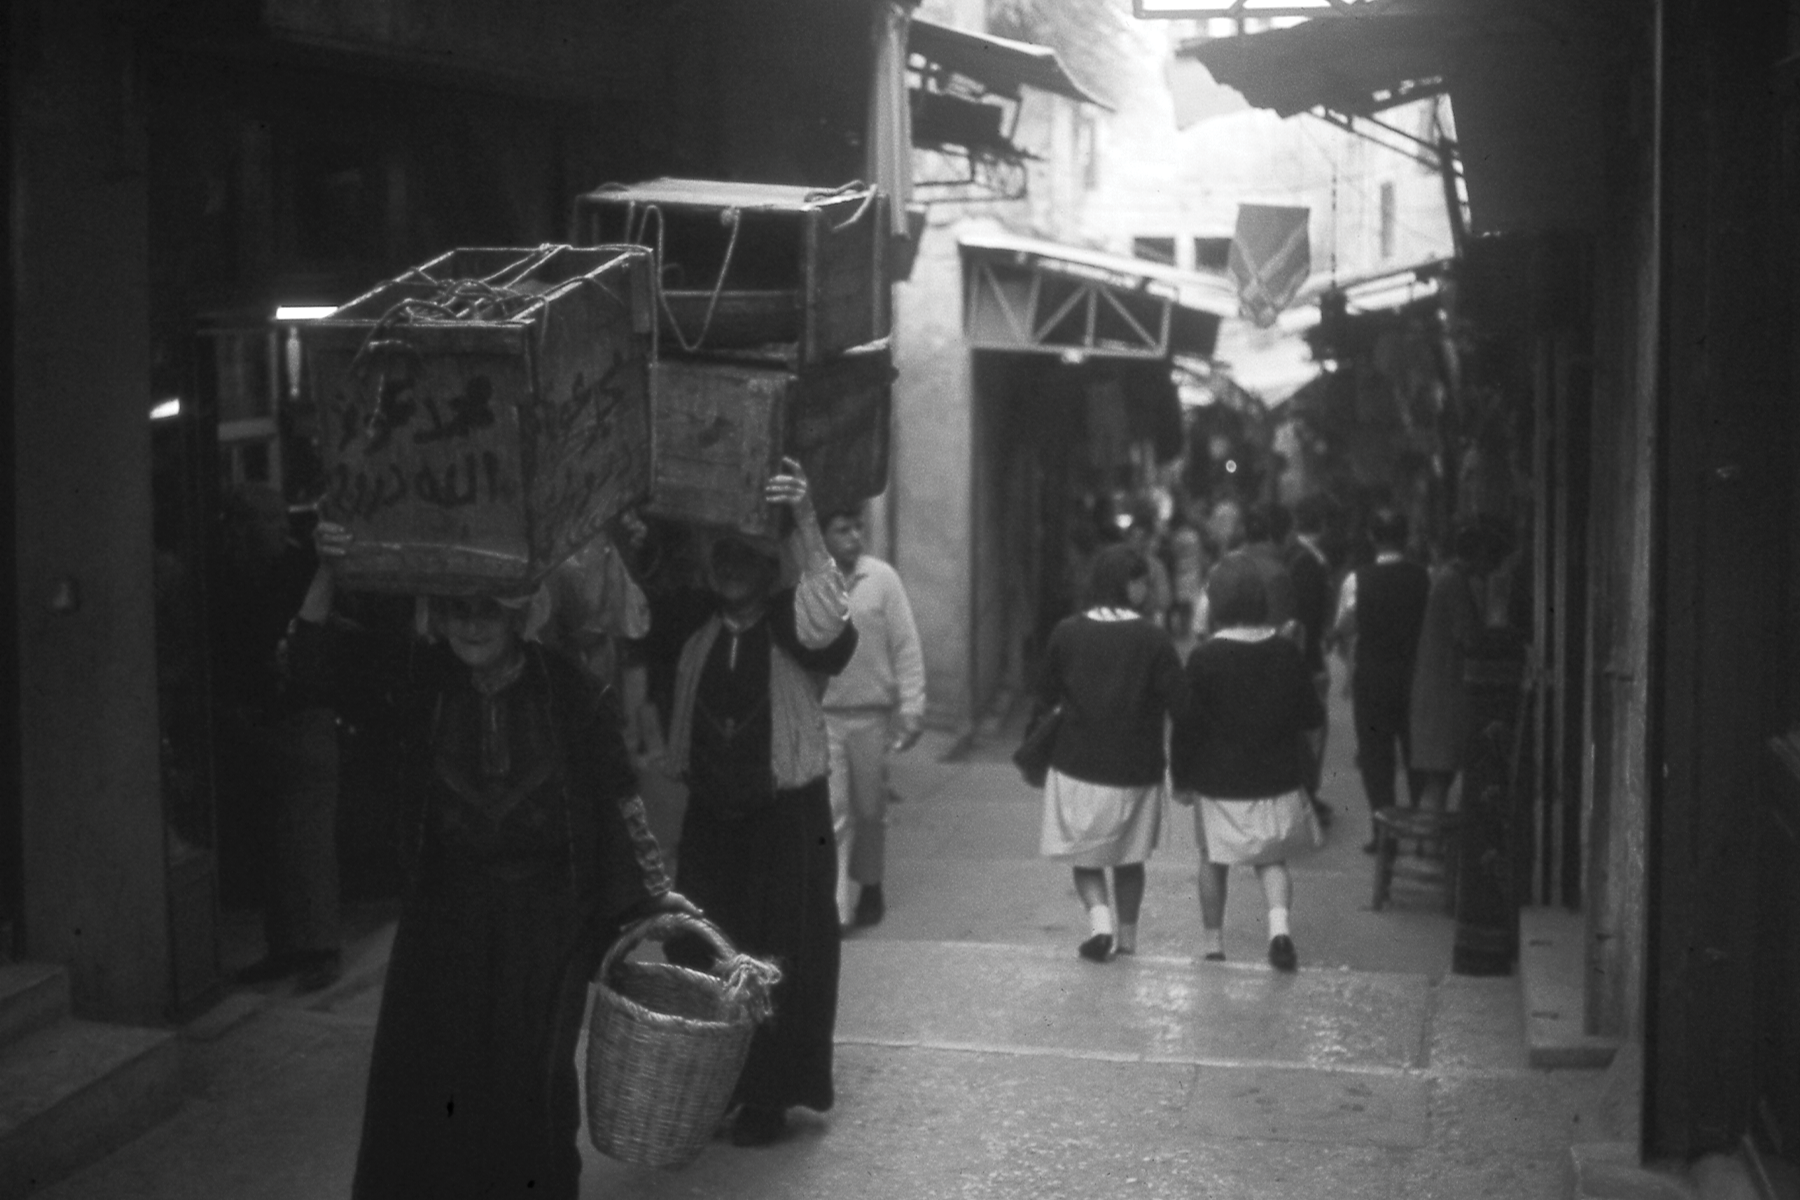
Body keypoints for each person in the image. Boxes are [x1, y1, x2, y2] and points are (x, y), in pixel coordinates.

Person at [290, 525, 689, 1200]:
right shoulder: (421, 682)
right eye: (457, 610)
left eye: (487, 609)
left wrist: (651, 900)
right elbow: (309, 670)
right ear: (440, 617)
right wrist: (330, 570)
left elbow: (617, 801)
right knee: (439, 1098)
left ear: (519, 611)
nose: (471, 625)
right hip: (445, 926)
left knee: (530, 1098)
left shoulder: (571, 694)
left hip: (547, 930)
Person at [655, 460, 859, 1148]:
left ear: (769, 564)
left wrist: (804, 516)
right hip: (713, 823)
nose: (733, 567)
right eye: (723, 555)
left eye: (748, 554)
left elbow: (830, 617)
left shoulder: (792, 626)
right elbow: (619, 607)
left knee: (776, 959)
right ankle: (714, 1089)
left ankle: (769, 1098)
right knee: (702, 952)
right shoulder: (693, 625)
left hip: (785, 824)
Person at [213, 484, 343, 993]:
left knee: (308, 841)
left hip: (302, 716)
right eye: (257, 522)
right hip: (259, 720)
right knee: (276, 843)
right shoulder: (235, 575)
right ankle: (287, 946)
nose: (271, 531)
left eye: (270, 521)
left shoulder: (295, 571)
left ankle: (320, 948)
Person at [1031, 544, 1186, 962]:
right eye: (1142, 580)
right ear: (1128, 584)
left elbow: (1044, 693)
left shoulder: (1066, 632)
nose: (1147, 588)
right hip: (1135, 768)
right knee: (1129, 860)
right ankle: (1129, 941)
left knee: (1085, 854)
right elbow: (1181, 703)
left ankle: (1100, 923)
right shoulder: (1153, 638)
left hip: (1076, 764)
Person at [1171, 554, 1326, 971]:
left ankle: (1213, 944)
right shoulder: (1286, 652)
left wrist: (1181, 777)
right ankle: (1279, 933)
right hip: (1274, 778)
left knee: (1213, 859)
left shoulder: (1204, 658)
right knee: (1272, 861)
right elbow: (1312, 717)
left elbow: (1186, 725)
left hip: (1218, 780)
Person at [819, 505, 926, 932]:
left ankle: (872, 884)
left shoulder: (882, 580)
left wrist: (913, 707)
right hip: (824, 714)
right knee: (834, 810)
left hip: (871, 715)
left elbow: (906, 645)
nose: (854, 536)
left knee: (869, 808)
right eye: (842, 528)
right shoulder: (812, 581)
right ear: (823, 535)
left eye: (858, 527)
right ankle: (838, 908)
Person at [1331, 508, 1431, 852]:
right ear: (1406, 538)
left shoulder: (1358, 580)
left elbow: (1345, 625)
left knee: (1376, 757)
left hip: (1373, 677)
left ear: (1373, 538)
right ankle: (1422, 828)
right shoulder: (1425, 577)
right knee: (1416, 753)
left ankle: (1383, 832)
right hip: (1415, 677)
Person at [1408, 519, 1511, 812]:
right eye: (1491, 558)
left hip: (1438, 689)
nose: (1493, 567)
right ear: (1478, 554)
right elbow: (1470, 638)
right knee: (1440, 778)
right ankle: (1429, 848)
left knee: (1439, 778)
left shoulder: (1451, 579)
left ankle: (1428, 847)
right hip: (1442, 692)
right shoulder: (1454, 583)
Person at [1285, 495, 1337, 828]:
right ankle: (1306, 794)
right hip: (1307, 660)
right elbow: (1306, 618)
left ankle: (1302, 793)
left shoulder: (1295, 556)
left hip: (1300, 658)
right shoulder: (1308, 562)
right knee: (1313, 729)